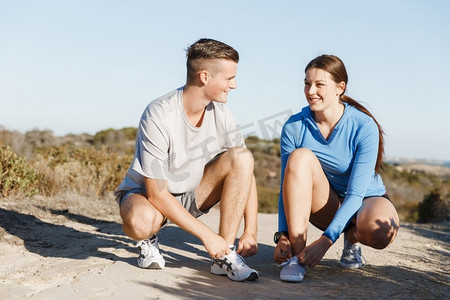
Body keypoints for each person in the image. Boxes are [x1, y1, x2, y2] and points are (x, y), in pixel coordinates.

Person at [114, 38, 259, 282]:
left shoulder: (222, 113)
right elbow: (157, 193)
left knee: (242, 157)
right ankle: (148, 239)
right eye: (229, 78)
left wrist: (251, 230)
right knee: (141, 223)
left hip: (191, 194)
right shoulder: (159, 114)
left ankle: (224, 256)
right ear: (204, 77)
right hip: (148, 196)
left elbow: (245, 171)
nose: (233, 85)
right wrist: (206, 235)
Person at [273, 54, 399, 282]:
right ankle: (297, 257)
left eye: (320, 84)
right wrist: (283, 236)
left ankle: (352, 238)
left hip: (365, 200)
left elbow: (356, 194)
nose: (311, 91)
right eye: (307, 83)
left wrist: (325, 241)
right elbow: (286, 186)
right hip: (327, 202)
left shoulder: (363, 125)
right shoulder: (294, 126)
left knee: (381, 232)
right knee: (300, 157)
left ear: (340, 88)